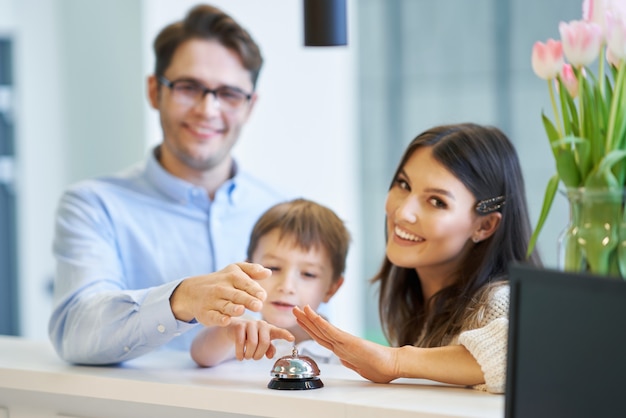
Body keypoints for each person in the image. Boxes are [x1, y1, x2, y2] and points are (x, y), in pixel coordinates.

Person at [48, 4, 290, 365]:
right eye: (189, 87)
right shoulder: (93, 205)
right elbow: (76, 332)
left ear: (250, 106)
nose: (208, 110)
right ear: (154, 91)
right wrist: (181, 299)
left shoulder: (281, 211)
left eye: (228, 94)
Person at [294, 123, 543, 394]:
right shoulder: (423, 302)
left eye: (437, 202)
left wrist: (395, 361)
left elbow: (530, 351)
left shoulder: (498, 300)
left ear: (484, 226)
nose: (403, 213)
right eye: (403, 184)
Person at [191, 198, 351, 367]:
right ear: (249, 272)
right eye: (274, 268)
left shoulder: (342, 352)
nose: (286, 287)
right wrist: (228, 333)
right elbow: (202, 355)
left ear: (331, 289)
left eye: (308, 274)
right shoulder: (245, 329)